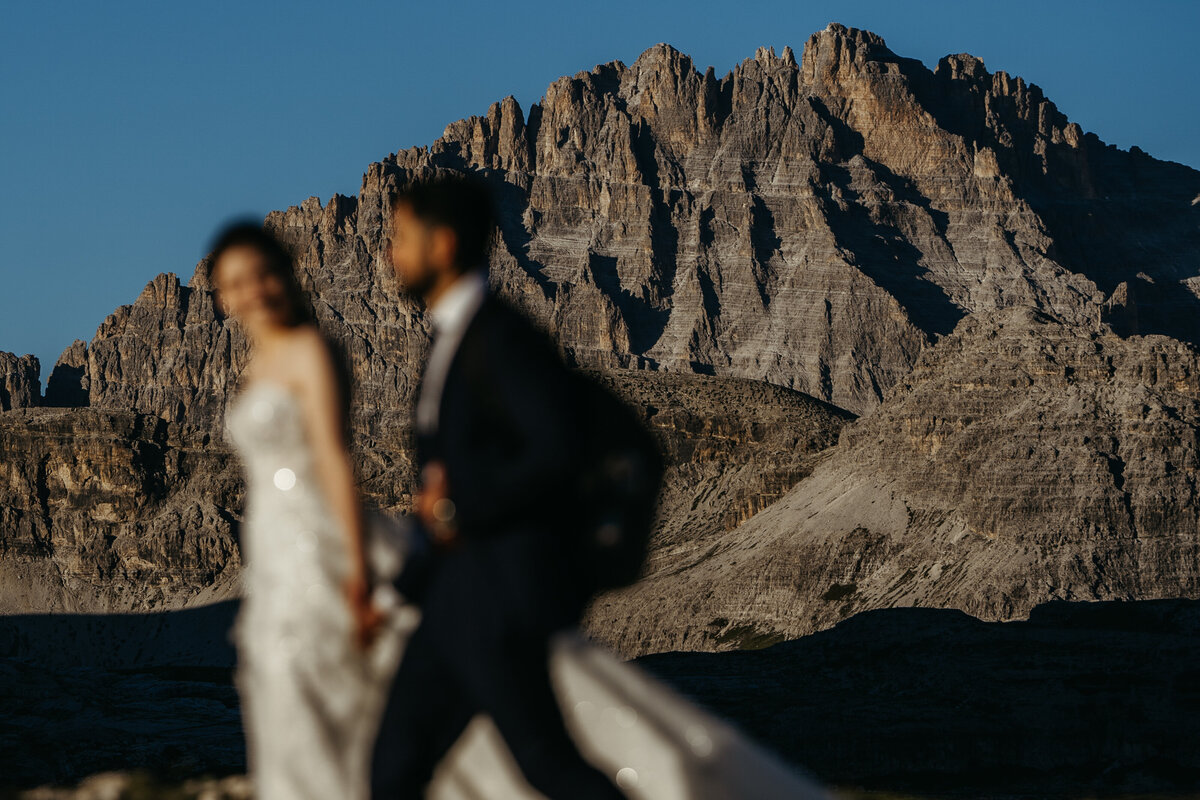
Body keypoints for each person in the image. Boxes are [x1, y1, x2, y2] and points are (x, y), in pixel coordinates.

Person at [369, 174, 625, 799]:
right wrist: (401, 589)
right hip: (455, 599)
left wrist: (460, 505)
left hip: (497, 599)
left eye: (402, 237)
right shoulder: (450, 342)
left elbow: (558, 450)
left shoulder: (503, 340)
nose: (390, 253)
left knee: (547, 764)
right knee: (395, 769)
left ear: (445, 244)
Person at [213, 223, 407, 800]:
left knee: (331, 688)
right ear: (223, 296)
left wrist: (358, 570)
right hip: (271, 549)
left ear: (285, 273)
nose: (252, 292)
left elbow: (333, 459)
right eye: (234, 283)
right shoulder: (255, 366)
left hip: (317, 538)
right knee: (281, 688)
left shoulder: (310, 350)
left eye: (261, 275)